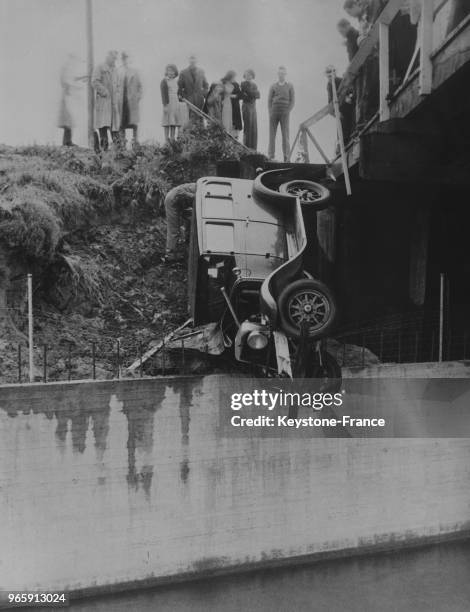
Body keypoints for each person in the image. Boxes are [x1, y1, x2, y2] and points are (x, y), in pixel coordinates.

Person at [92, 50, 121, 152]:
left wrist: (117, 94)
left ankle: (118, 149)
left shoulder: (115, 70)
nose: (113, 59)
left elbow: (118, 85)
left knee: (115, 126)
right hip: (104, 101)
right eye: (112, 57)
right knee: (103, 124)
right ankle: (104, 148)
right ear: (107, 56)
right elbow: (94, 81)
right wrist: (104, 91)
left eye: (115, 58)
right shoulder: (100, 67)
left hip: (113, 102)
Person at [162, 183, 197, 264]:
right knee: (174, 229)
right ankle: (170, 256)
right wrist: (194, 196)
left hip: (182, 204)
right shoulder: (197, 187)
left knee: (191, 219)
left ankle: (186, 242)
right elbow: (179, 191)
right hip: (172, 201)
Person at [267, 66, 295, 162]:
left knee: (285, 135)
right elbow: (269, 100)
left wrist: (287, 111)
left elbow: (292, 101)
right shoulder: (273, 86)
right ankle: (270, 156)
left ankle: (287, 156)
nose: (281, 75)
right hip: (274, 112)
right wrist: (270, 112)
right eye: (280, 74)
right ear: (278, 74)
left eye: (283, 74)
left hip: (285, 113)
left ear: (285, 74)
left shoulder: (290, 86)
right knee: (272, 135)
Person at [57, 54, 84, 146]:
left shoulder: (69, 68)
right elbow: (66, 81)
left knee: (70, 121)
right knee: (68, 120)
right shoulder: (66, 67)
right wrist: (77, 86)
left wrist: (81, 78)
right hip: (67, 96)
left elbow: (71, 79)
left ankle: (68, 141)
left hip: (69, 96)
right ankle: (67, 142)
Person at [119, 52, 143, 147]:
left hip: (132, 101)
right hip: (121, 101)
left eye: (127, 59)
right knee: (122, 123)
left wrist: (137, 97)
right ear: (122, 60)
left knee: (133, 123)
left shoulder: (134, 72)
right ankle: (122, 143)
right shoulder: (118, 72)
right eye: (123, 59)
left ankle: (135, 142)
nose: (125, 61)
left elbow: (140, 87)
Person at [177, 55, 209, 123]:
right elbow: (179, 87)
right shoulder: (183, 72)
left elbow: (206, 85)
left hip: (199, 99)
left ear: (196, 61)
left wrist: (203, 94)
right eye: (191, 59)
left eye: (194, 59)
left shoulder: (201, 71)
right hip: (188, 99)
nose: (192, 61)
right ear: (189, 61)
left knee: (200, 117)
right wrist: (184, 97)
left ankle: (200, 133)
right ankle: (189, 133)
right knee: (189, 118)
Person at [161, 64, 182, 142]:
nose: (170, 73)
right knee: (167, 121)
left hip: (175, 102)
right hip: (168, 103)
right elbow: (163, 94)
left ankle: (172, 139)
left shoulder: (176, 81)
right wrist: (165, 105)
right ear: (166, 72)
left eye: (172, 71)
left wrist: (180, 96)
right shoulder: (164, 81)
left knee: (173, 122)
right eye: (169, 71)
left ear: (175, 72)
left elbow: (177, 92)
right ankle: (166, 139)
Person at [240, 69, 260, 150]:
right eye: (247, 75)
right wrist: (253, 94)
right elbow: (249, 93)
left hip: (253, 107)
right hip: (246, 106)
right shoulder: (243, 84)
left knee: (254, 127)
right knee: (248, 126)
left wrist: (251, 94)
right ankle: (246, 147)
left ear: (252, 76)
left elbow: (258, 95)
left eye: (250, 75)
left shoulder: (255, 85)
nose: (248, 76)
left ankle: (253, 148)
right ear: (245, 76)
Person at [221, 70, 243, 139]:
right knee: (226, 121)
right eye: (233, 77)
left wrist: (235, 96)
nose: (234, 78)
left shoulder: (236, 84)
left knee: (235, 122)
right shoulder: (222, 82)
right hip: (225, 105)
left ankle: (235, 137)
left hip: (235, 106)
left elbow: (240, 94)